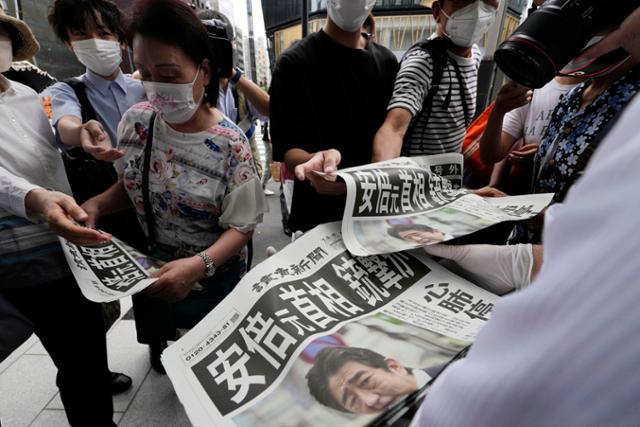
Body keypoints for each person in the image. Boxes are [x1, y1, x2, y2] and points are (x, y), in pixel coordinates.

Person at [413, 8, 640, 425]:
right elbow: (495, 152)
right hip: (531, 251)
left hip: (563, 282)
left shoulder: (631, 109)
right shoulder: (575, 94)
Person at [81, 0, 265, 344]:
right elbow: (135, 183)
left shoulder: (230, 145)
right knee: (172, 344)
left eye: (168, 75)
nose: (155, 88)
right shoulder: (136, 123)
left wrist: (198, 265)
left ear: (204, 72)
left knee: (214, 351)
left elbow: (241, 227)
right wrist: (98, 205)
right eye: (145, 74)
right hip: (155, 269)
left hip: (214, 277)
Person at [0, 12, 116, 425]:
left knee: (84, 362)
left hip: (66, 248)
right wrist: (36, 198)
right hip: (11, 257)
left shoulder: (28, 95)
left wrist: (80, 135)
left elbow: (52, 144)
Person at [47, 0, 146, 386]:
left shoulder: (143, 86)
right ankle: (95, 368)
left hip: (145, 200)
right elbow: (65, 123)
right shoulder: (66, 90)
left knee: (150, 277)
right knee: (97, 291)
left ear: (121, 41)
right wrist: (82, 132)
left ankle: (157, 343)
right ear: (70, 45)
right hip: (97, 204)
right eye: (81, 35)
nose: (95, 42)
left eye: (104, 34)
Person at [270, 0, 398, 232]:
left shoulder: (388, 63)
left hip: (374, 215)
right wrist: (316, 159)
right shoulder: (293, 64)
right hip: (317, 219)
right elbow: (287, 148)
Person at [372, 0, 498, 160]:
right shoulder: (423, 63)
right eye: (465, 1)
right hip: (418, 179)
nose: (478, 13)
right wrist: (384, 177)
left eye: (489, 2)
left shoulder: (475, 55)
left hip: (448, 176)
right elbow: (394, 129)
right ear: (438, 12)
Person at [198, 10, 270, 184]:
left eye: (219, 45)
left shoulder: (240, 84)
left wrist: (232, 73)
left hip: (247, 179)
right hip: (209, 180)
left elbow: (269, 110)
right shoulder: (192, 86)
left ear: (230, 45)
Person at [479, 76, 580, 192]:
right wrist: (499, 110)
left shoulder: (595, 91)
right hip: (528, 194)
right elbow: (489, 155)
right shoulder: (534, 86)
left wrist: (542, 156)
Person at [306, 346, 443, 414]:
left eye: (365, 381)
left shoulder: (458, 369)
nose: (371, 400)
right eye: (353, 401)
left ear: (394, 367)